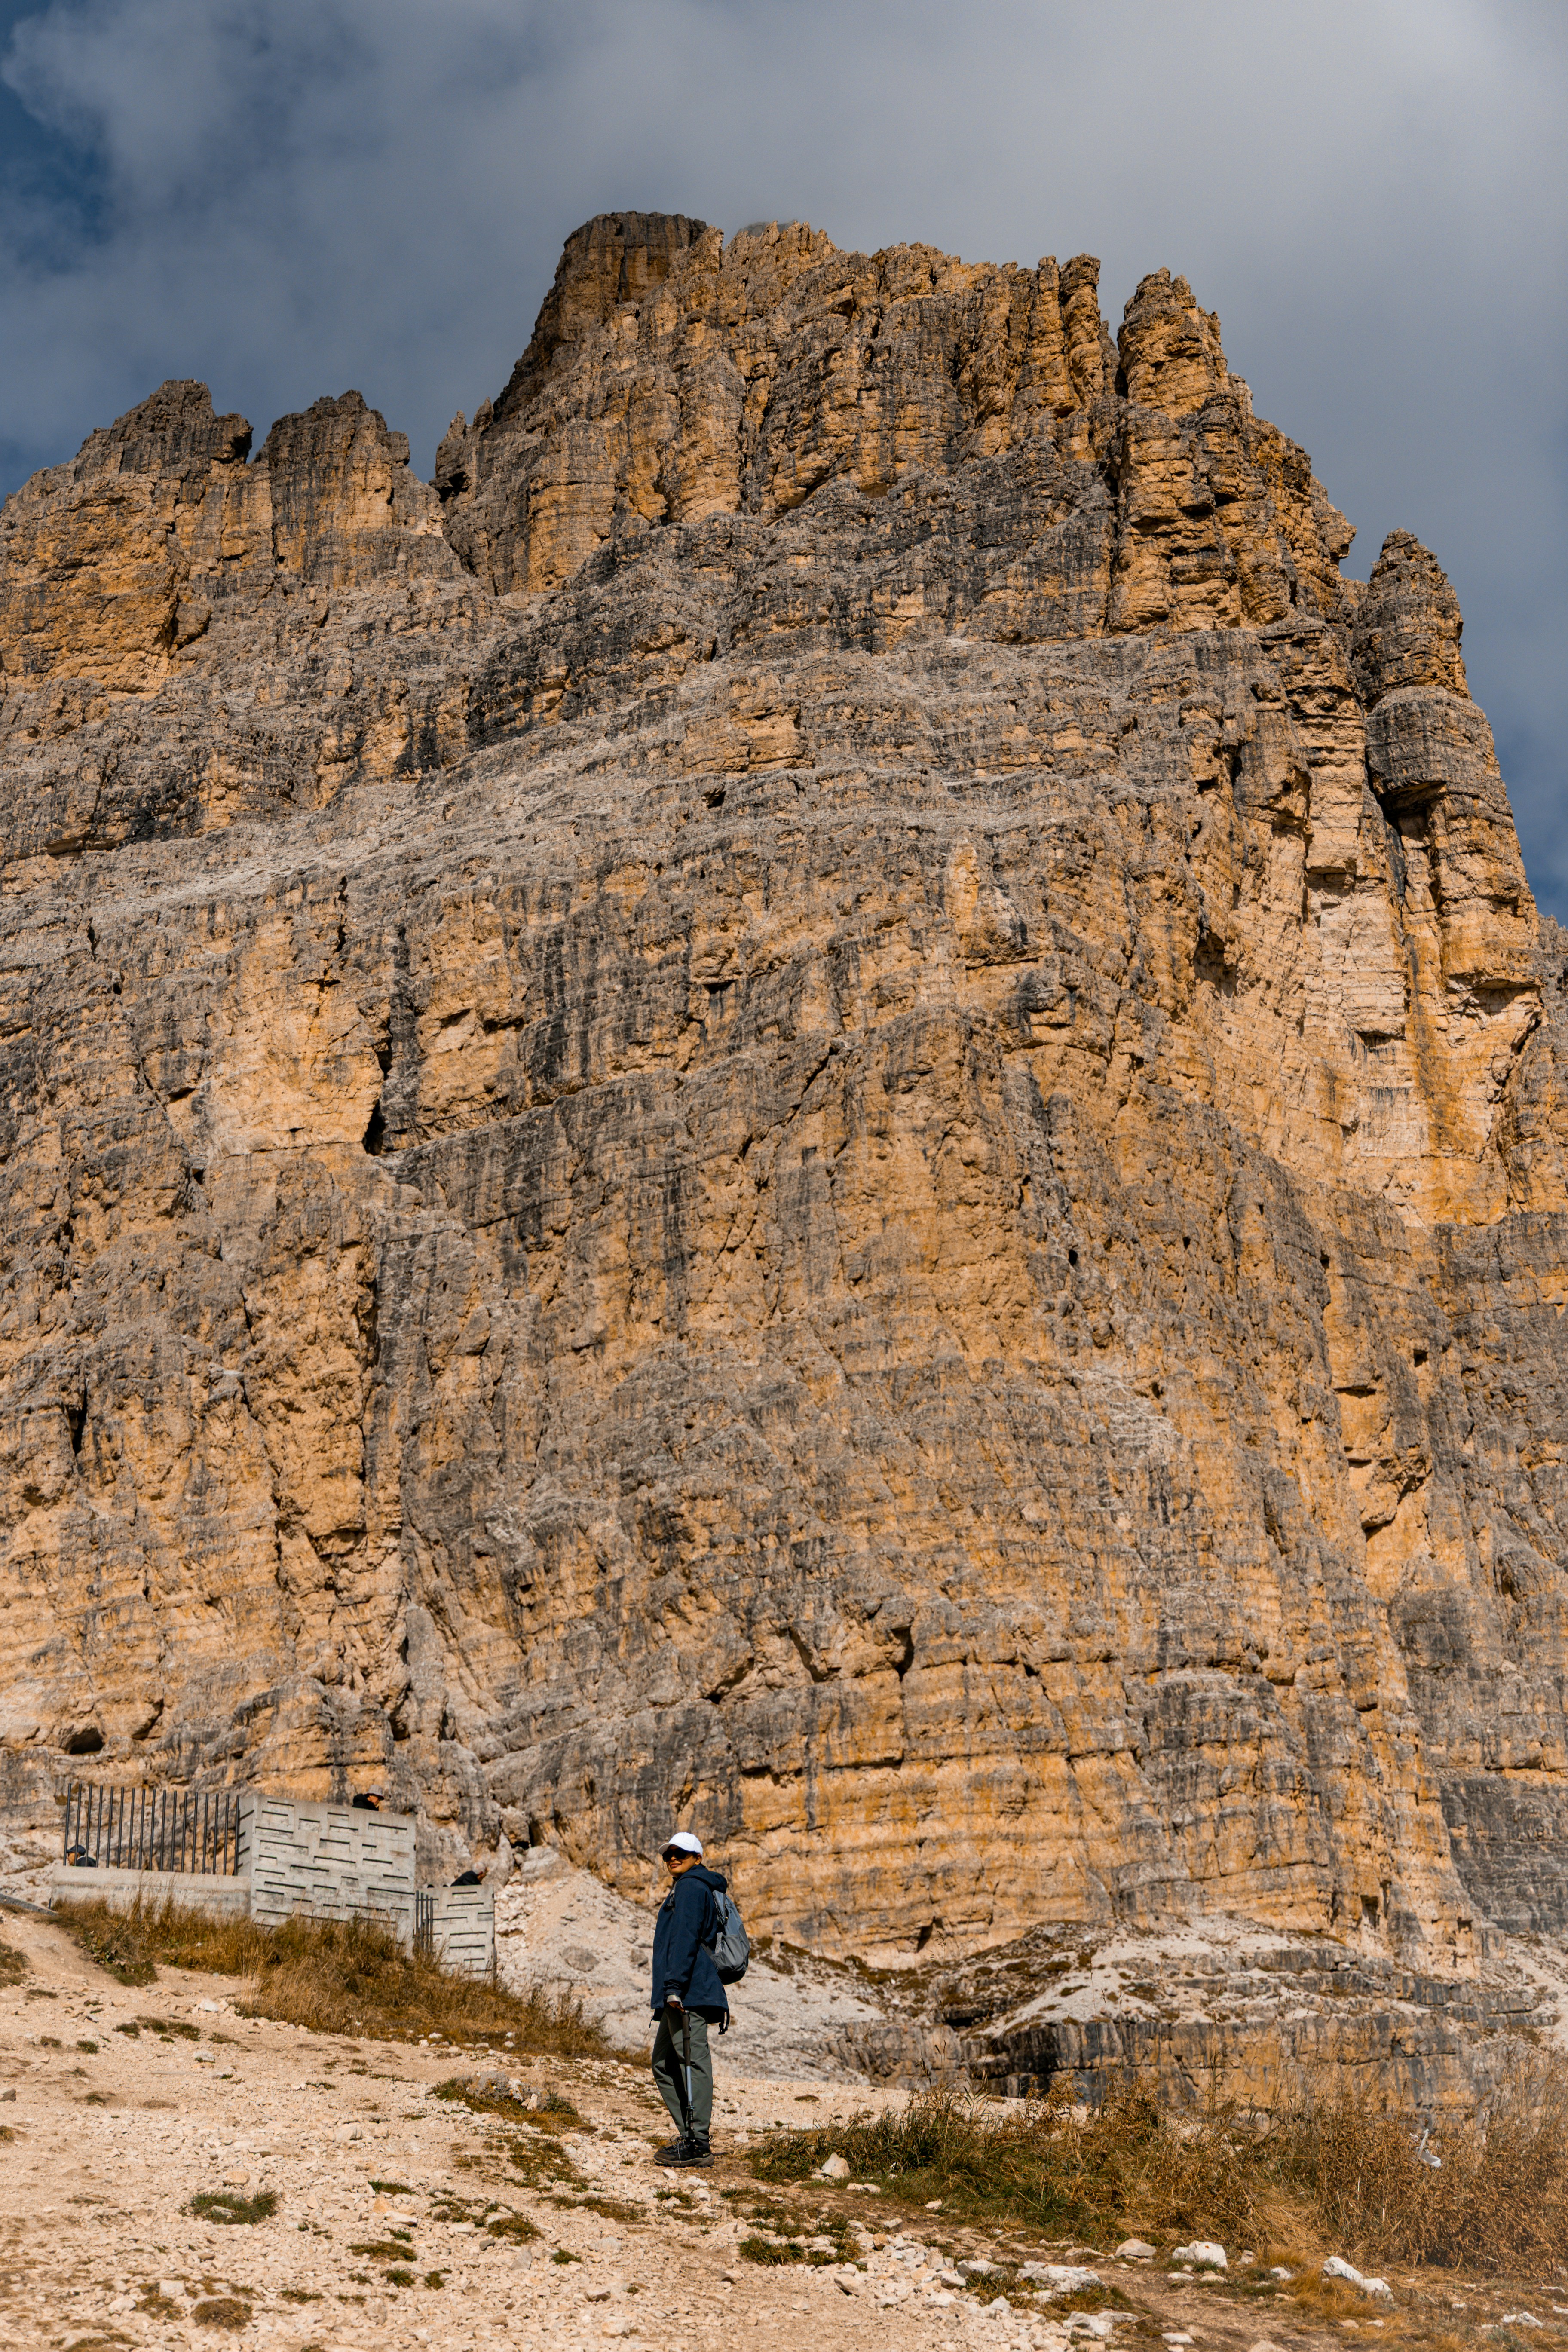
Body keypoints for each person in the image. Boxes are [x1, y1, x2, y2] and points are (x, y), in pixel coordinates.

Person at [649, 1830, 729, 2167]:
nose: (672, 1858)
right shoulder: (687, 1887)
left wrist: (673, 1989)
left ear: (698, 1857)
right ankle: (690, 2134)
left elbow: (683, 1941)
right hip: (682, 1991)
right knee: (663, 2062)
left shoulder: (692, 1887)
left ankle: (698, 2144)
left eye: (680, 1852)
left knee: (693, 2062)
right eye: (668, 1854)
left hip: (687, 1995)